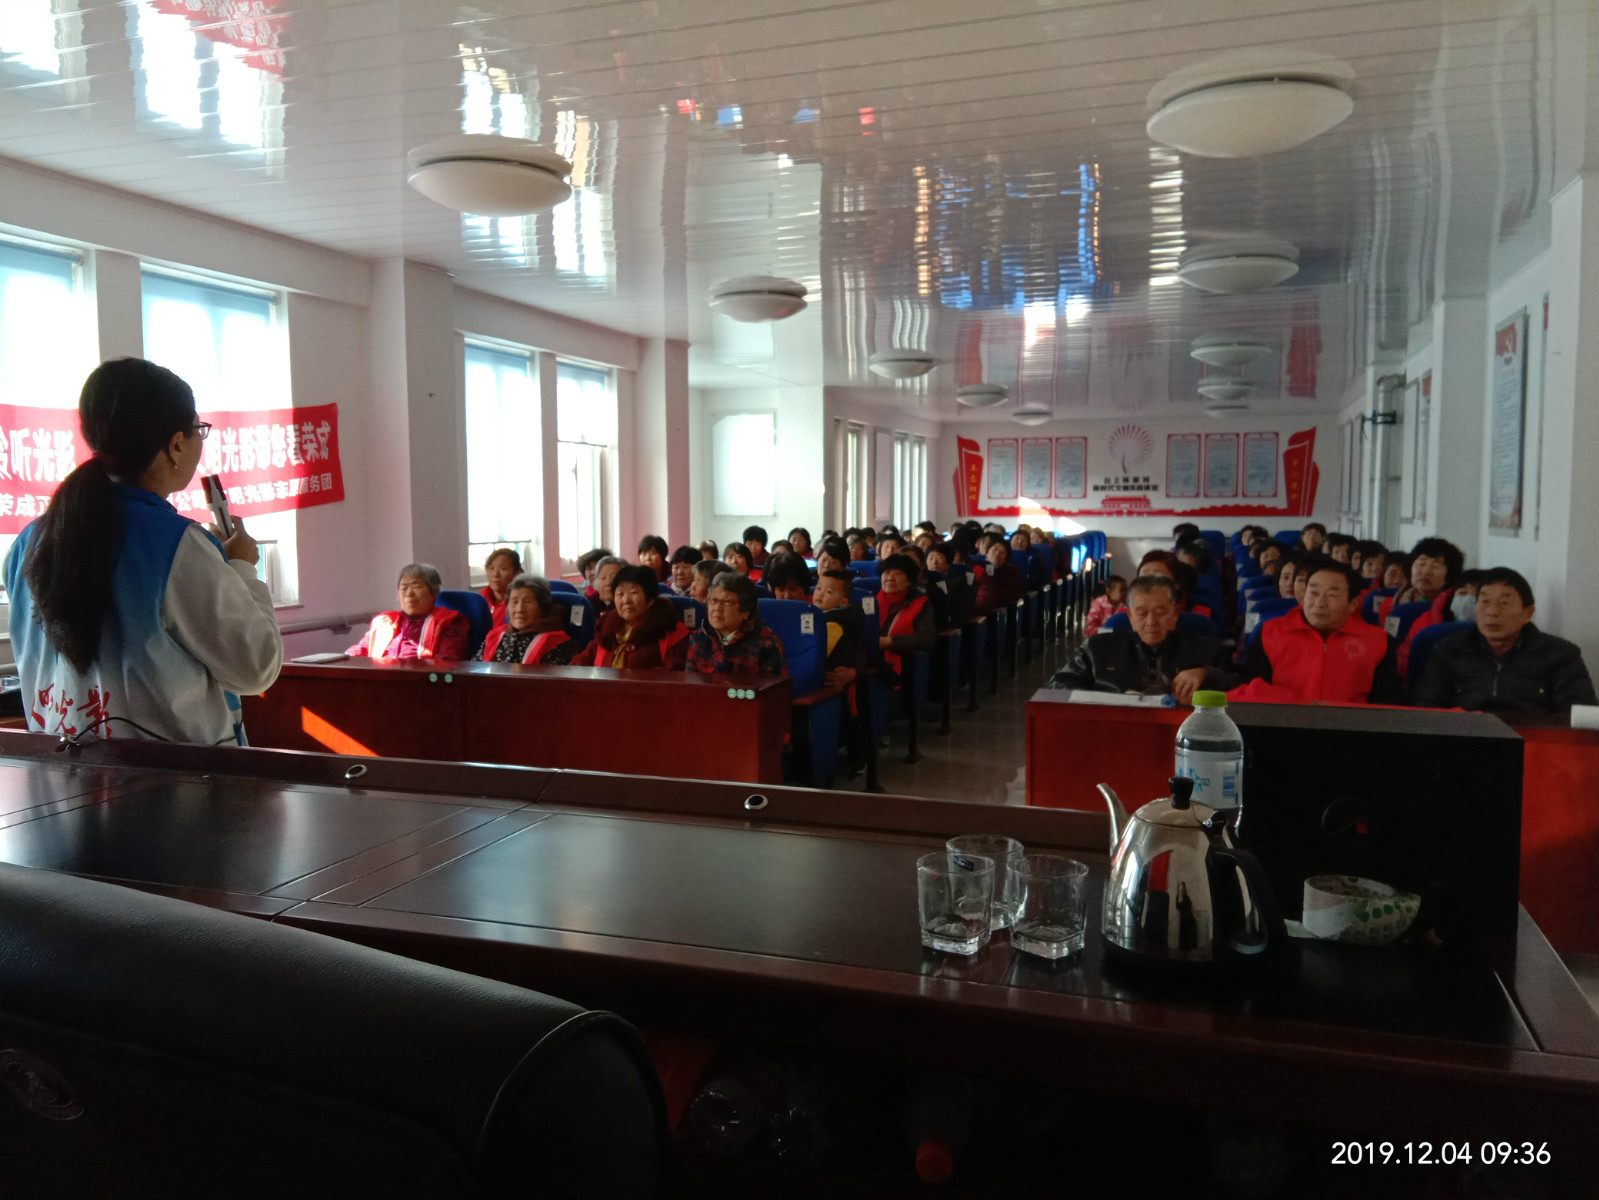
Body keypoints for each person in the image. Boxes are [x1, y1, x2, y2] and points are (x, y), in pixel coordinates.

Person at [4, 358, 281, 746]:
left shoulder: (27, 544)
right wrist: (241, 567)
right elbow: (254, 669)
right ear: (176, 444)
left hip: (63, 770)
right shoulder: (176, 544)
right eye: (199, 430)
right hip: (170, 778)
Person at [1411, 568, 1597, 713]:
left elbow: (1579, 716)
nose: (1492, 612)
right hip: (1465, 741)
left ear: (1528, 613)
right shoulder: (1448, 650)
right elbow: (1427, 709)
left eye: (1504, 603)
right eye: (1484, 602)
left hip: (1532, 743)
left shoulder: (1561, 655)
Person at [1232, 559, 1402, 705]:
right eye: (1313, 593)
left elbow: (1386, 703)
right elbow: (1254, 693)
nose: (1319, 603)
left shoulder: (1378, 641)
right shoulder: (1269, 633)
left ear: (1352, 604)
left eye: (1332, 596)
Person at [1050, 575, 1234, 702]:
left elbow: (1239, 685)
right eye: (1142, 613)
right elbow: (1059, 685)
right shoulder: (1098, 648)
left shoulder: (1205, 649)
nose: (1151, 622)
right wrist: (1100, 702)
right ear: (1129, 615)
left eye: (1160, 613)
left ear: (1175, 613)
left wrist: (1207, 674)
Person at [572, 564, 690, 669]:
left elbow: (674, 677)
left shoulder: (672, 631)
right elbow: (580, 663)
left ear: (650, 600)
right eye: (620, 594)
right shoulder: (606, 628)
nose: (626, 600)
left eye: (634, 593)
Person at [350, 564, 471, 661]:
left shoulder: (450, 621)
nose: (409, 594)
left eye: (416, 587)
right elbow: (362, 649)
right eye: (404, 588)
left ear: (434, 592)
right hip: (380, 679)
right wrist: (343, 659)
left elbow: (448, 661)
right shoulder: (385, 621)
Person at [685, 572, 787, 676]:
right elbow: (689, 682)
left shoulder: (767, 643)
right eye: (714, 600)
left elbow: (773, 686)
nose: (717, 608)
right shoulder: (698, 637)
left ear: (746, 611)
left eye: (727, 602)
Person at [474, 575, 577, 665]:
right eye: (514, 602)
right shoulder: (493, 636)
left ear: (542, 607)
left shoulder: (557, 643)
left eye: (527, 602)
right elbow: (475, 671)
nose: (519, 609)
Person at [876, 554, 936, 679]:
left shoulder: (920, 603)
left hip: (906, 662)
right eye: (886, 573)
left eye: (898, 574)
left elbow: (926, 638)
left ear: (909, 580)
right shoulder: (870, 600)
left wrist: (889, 641)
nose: (890, 578)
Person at [974, 538, 1022, 613]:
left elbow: (1010, 594)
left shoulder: (1011, 570)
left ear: (1007, 556)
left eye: (1002, 552)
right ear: (987, 552)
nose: (997, 554)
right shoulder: (977, 566)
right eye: (995, 550)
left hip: (998, 608)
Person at [479, 547, 521, 627]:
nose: (495, 574)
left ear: (516, 573)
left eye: (503, 569)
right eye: (491, 568)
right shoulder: (479, 600)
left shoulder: (521, 605)